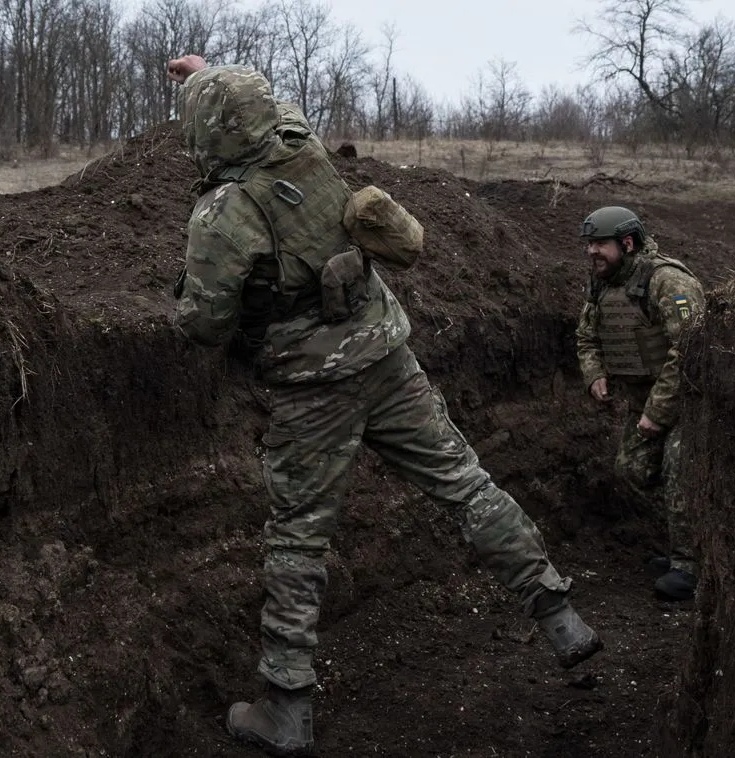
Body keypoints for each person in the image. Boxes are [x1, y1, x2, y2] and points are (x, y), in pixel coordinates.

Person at [166, 54, 603, 757]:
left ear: (206, 133)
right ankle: (558, 614)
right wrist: (211, 74)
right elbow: (265, 109)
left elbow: (205, 326)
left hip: (312, 388)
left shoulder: (222, 214)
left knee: (298, 538)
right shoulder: (301, 143)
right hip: (387, 356)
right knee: (466, 484)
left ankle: (285, 709)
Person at [574, 206, 706, 601]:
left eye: (600, 244)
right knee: (632, 468)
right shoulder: (601, 284)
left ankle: (692, 567)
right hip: (641, 400)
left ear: (627, 243)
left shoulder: (668, 282)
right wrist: (594, 373)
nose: (591, 252)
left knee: (679, 474)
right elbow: (586, 336)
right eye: (589, 244)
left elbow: (690, 353)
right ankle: (684, 547)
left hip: (687, 401)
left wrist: (657, 412)